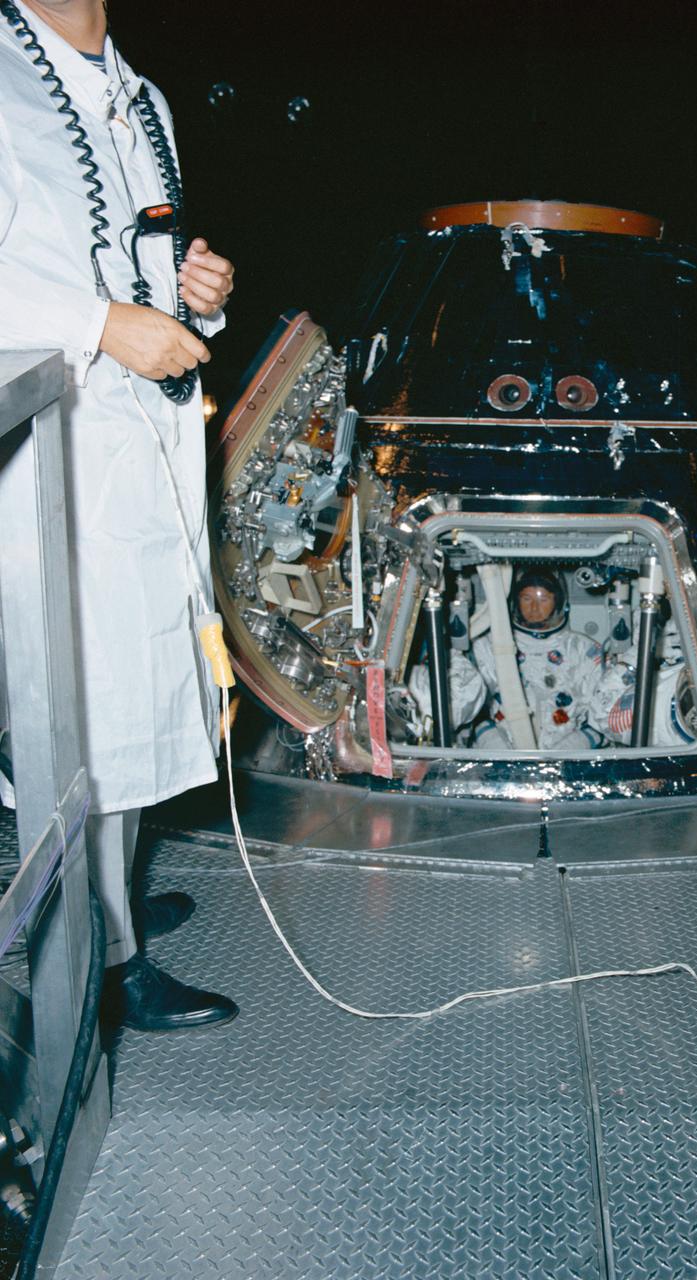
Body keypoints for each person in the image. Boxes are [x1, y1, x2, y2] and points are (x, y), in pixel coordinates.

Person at [0, 0, 238, 1029]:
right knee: (83, 709)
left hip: (144, 452)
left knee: (135, 695)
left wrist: (201, 292)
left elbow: (133, 261)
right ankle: (104, 960)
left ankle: (114, 900)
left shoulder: (141, 96)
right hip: (53, 457)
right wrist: (99, 323)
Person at [469, 568, 627, 749]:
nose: (534, 608)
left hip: (568, 759)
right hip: (502, 754)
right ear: (515, 602)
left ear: (558, 602)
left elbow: (606, 711)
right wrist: (491, 740)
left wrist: (578, 744)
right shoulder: (489, 647)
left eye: (543, 599)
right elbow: (470, 708)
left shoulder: (583, 650)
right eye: (526, 598)